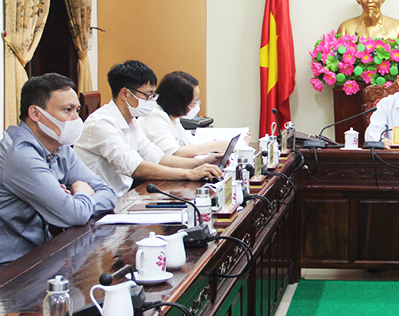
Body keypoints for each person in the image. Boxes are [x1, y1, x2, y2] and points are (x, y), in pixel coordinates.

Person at [0, 74, 116, 265]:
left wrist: (76, 203)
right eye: (67, 110)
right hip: (12, 267)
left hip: (44, 253)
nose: (76, 118)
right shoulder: (19, 154)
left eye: (77, 110)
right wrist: (81, 194)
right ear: (35, 114)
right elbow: (74, 215)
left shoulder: (60, 147)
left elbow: (108, 193)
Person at [75, 60, 223, 197]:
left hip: (124, 194)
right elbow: (137, 168)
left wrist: (201, 163)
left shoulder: (131, 121)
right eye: (147, 95)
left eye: (153, 95)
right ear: (125, 94)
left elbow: (157, 158)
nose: (152, 101)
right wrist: (189, 174)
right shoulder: (101, 123)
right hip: (100, 201)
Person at [140, 71, 232, 158]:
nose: (196, 105)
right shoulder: (155, 116)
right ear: (179, 103)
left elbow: (190, 142)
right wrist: (214, 146)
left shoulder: (173, 117)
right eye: (194, 102)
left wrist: (217, 147)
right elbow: (174, 153)